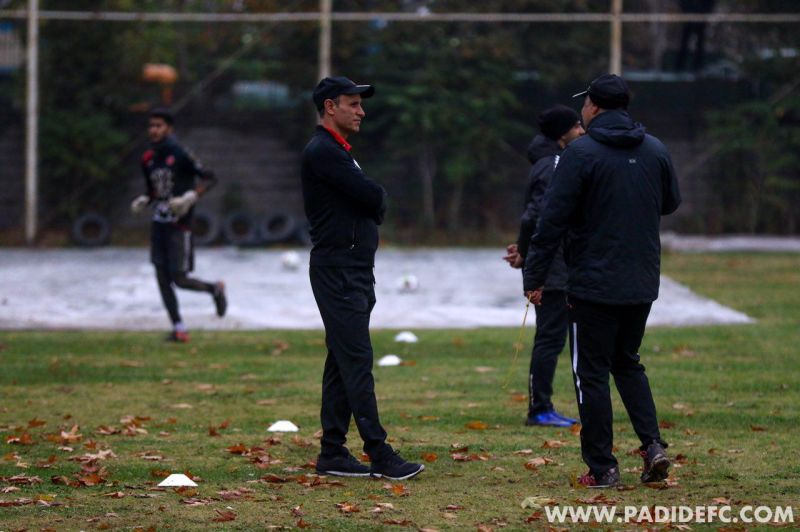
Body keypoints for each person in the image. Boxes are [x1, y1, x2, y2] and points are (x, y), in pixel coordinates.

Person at [522, 74, 681, 488]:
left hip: (592, 282)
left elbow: (551, 219)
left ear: (592, 106)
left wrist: (534, 274)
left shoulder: (580, 153)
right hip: (642, 279)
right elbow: (670, 202)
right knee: (628, 362)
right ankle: (652, 445)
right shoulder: (656, 149)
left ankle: (603, 466)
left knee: (589, 373)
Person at [301, 76, 424, 481]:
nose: (361, 111)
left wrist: (374, 200)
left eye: (360, 104)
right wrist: (376, 198)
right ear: (330, 106)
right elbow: (374, 197)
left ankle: (332, 452)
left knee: (342, 359)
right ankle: (380, 453)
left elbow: (371, 199)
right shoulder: (324, 151)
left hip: (353, 269)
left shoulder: (339, 152)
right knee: (356, 360)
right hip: (338, 270)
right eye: (353, 104)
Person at [503, 105, 584, 428]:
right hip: (552, 266)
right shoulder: (554, 166)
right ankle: (540, 409)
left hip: (555, 262)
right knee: (550, 338)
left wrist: (523, 249)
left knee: (554, 337)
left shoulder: (550, 162)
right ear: (562, 134)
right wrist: (525, 251)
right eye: (577, 127)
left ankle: (544, 406)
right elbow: (535, 216)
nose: (582, 131)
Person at [130, 108, 227, 343]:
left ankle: (215, 289)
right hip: (159, 224)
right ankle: (179, 328)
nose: (154, 130)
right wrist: (146, 200)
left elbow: (209, 177)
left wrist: (191, 197)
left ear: (169, 128)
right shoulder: (148, 158)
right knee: (161, 278)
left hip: (179, 225)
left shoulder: (180, 153)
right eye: (151, 126)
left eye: (159, 126)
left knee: (180, 278)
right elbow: (154, 189)